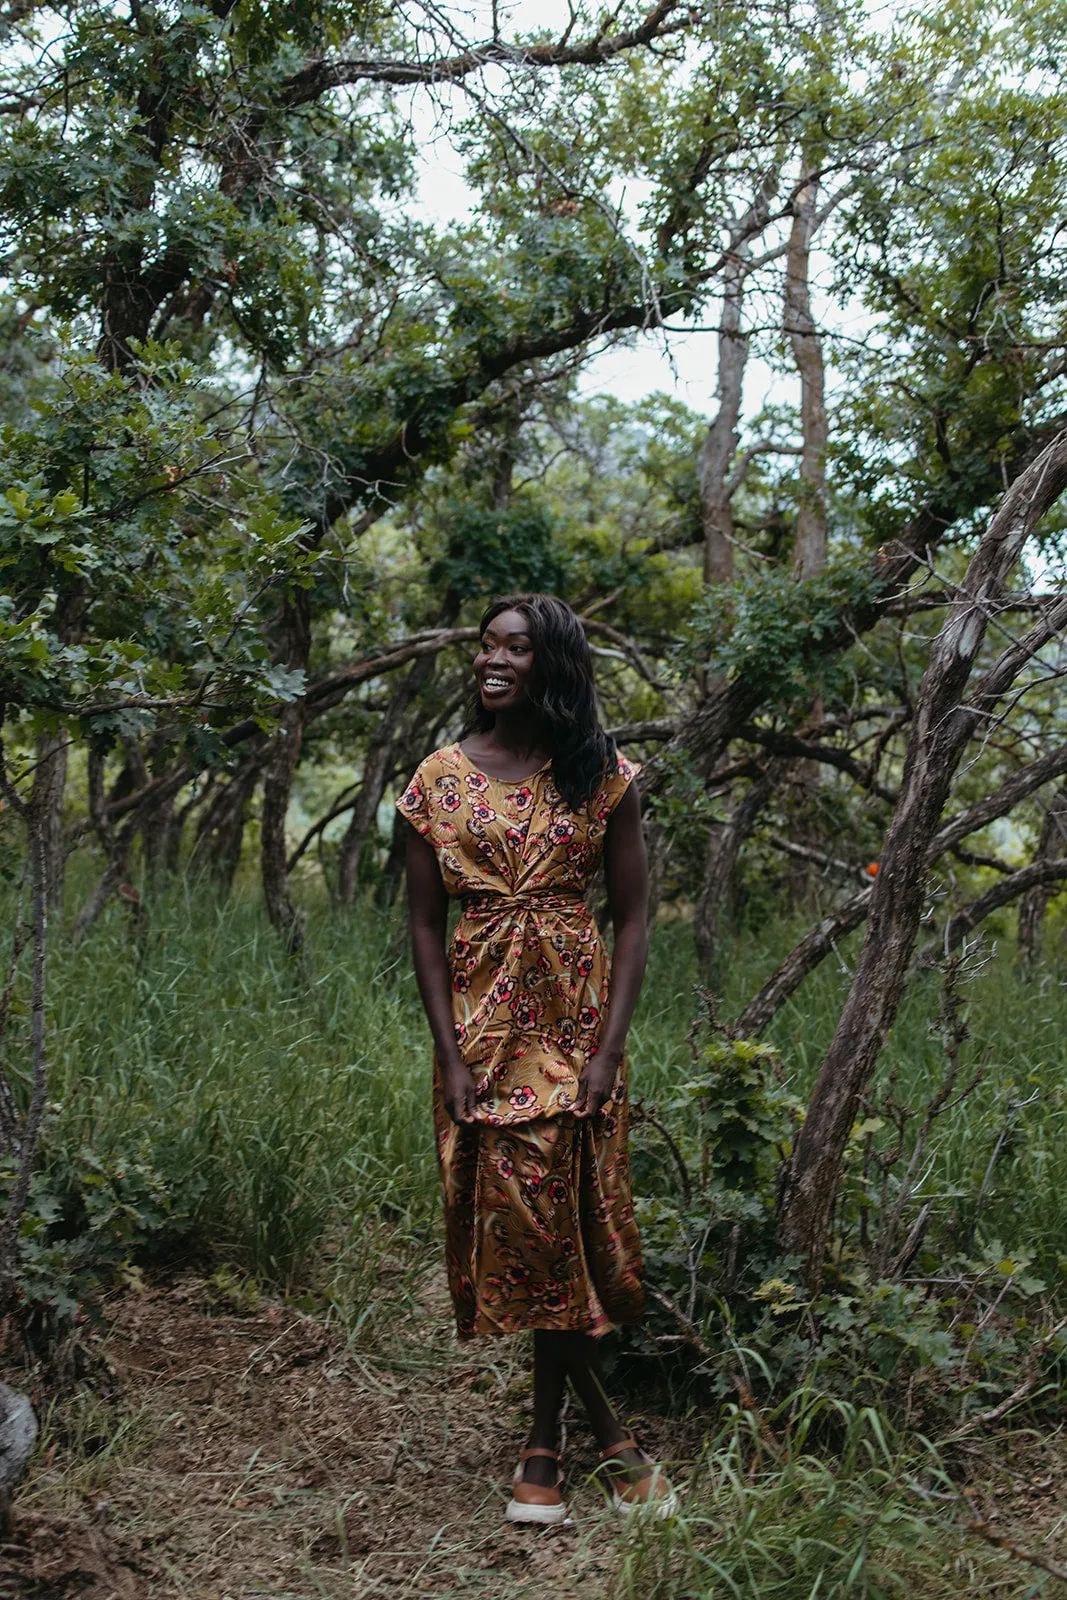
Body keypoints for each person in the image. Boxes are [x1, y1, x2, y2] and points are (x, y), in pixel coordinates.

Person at [397, 593, 677, 1525]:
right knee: (530, 1216)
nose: (492, 660)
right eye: (485, 645)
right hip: (483, 1030)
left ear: (549, 664)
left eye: (514, 648)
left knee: (558, 1214)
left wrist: (609, 1049)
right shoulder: (435, 780)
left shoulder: (600, 776)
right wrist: (447, 1054)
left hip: (574, 1023)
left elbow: (635, 919)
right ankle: (595, 1431)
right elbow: (424, 927)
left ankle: (547, 1442)